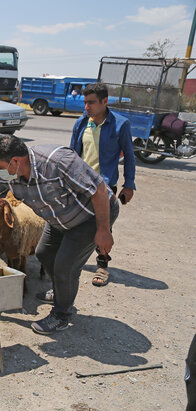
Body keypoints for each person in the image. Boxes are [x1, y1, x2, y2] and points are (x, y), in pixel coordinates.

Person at [0, 135, 119, 335]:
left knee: (65, 265)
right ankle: (61, 292)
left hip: (90, 216)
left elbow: (99, 190)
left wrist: (103, 229)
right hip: (59, 218)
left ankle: (61, 315)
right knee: (45, 253)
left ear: (15, 161)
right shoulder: (9, 174)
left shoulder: (58, 162)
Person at [70, 82, 135, 287]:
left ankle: (102, 265)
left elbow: (130, 157)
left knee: (103, 226)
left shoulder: (120, 124)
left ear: (104, 102)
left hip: (104, 187)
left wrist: (129, 184)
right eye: (85, 102)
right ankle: (71, 262)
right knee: (74, 224)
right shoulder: (82, 122)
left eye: (91, 103)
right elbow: (72, 155)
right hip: (80, 184)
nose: (87, 107)